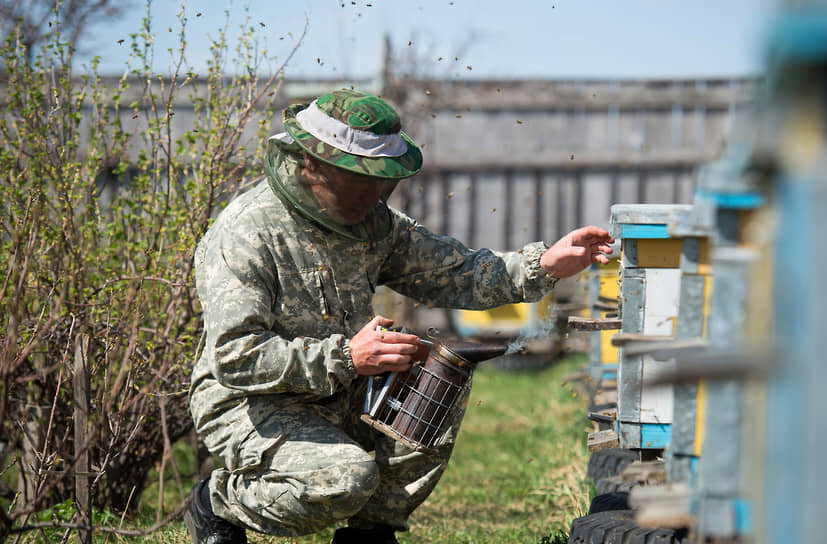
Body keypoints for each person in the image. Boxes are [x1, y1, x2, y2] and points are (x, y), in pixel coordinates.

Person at [184, 89, 614, 544]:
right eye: (359, 180)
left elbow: (456, 272)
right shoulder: (247, 232)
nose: (373, 196)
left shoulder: (375, 224)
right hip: (251, 402)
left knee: (438, 377)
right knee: (345, 479)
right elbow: (234, 358)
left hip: (342, 388)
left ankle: (371, 532)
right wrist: (347, 357)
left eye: (381, 181)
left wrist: (543, 263)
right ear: (313, 164)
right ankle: (218, 502)